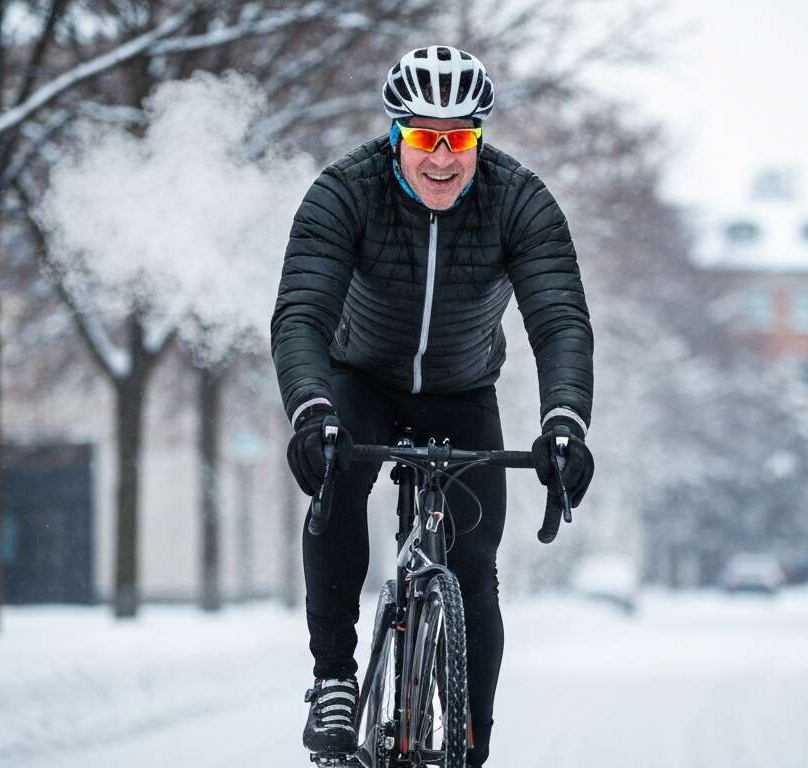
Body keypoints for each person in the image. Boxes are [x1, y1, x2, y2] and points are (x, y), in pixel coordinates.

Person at [270, 44, 595, 767]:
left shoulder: (519, 199)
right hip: (360, 378)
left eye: (459, 138)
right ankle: (333, 678)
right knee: (336, 482)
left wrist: (565, 419)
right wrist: (311, 410)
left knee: (475, 565)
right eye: (423, 136)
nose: (442, 157)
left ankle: (471, 744)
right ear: (395, 136)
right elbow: (301, 315)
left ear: (479, 135)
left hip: (463, 388)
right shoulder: (344, 191)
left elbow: (559, 320)